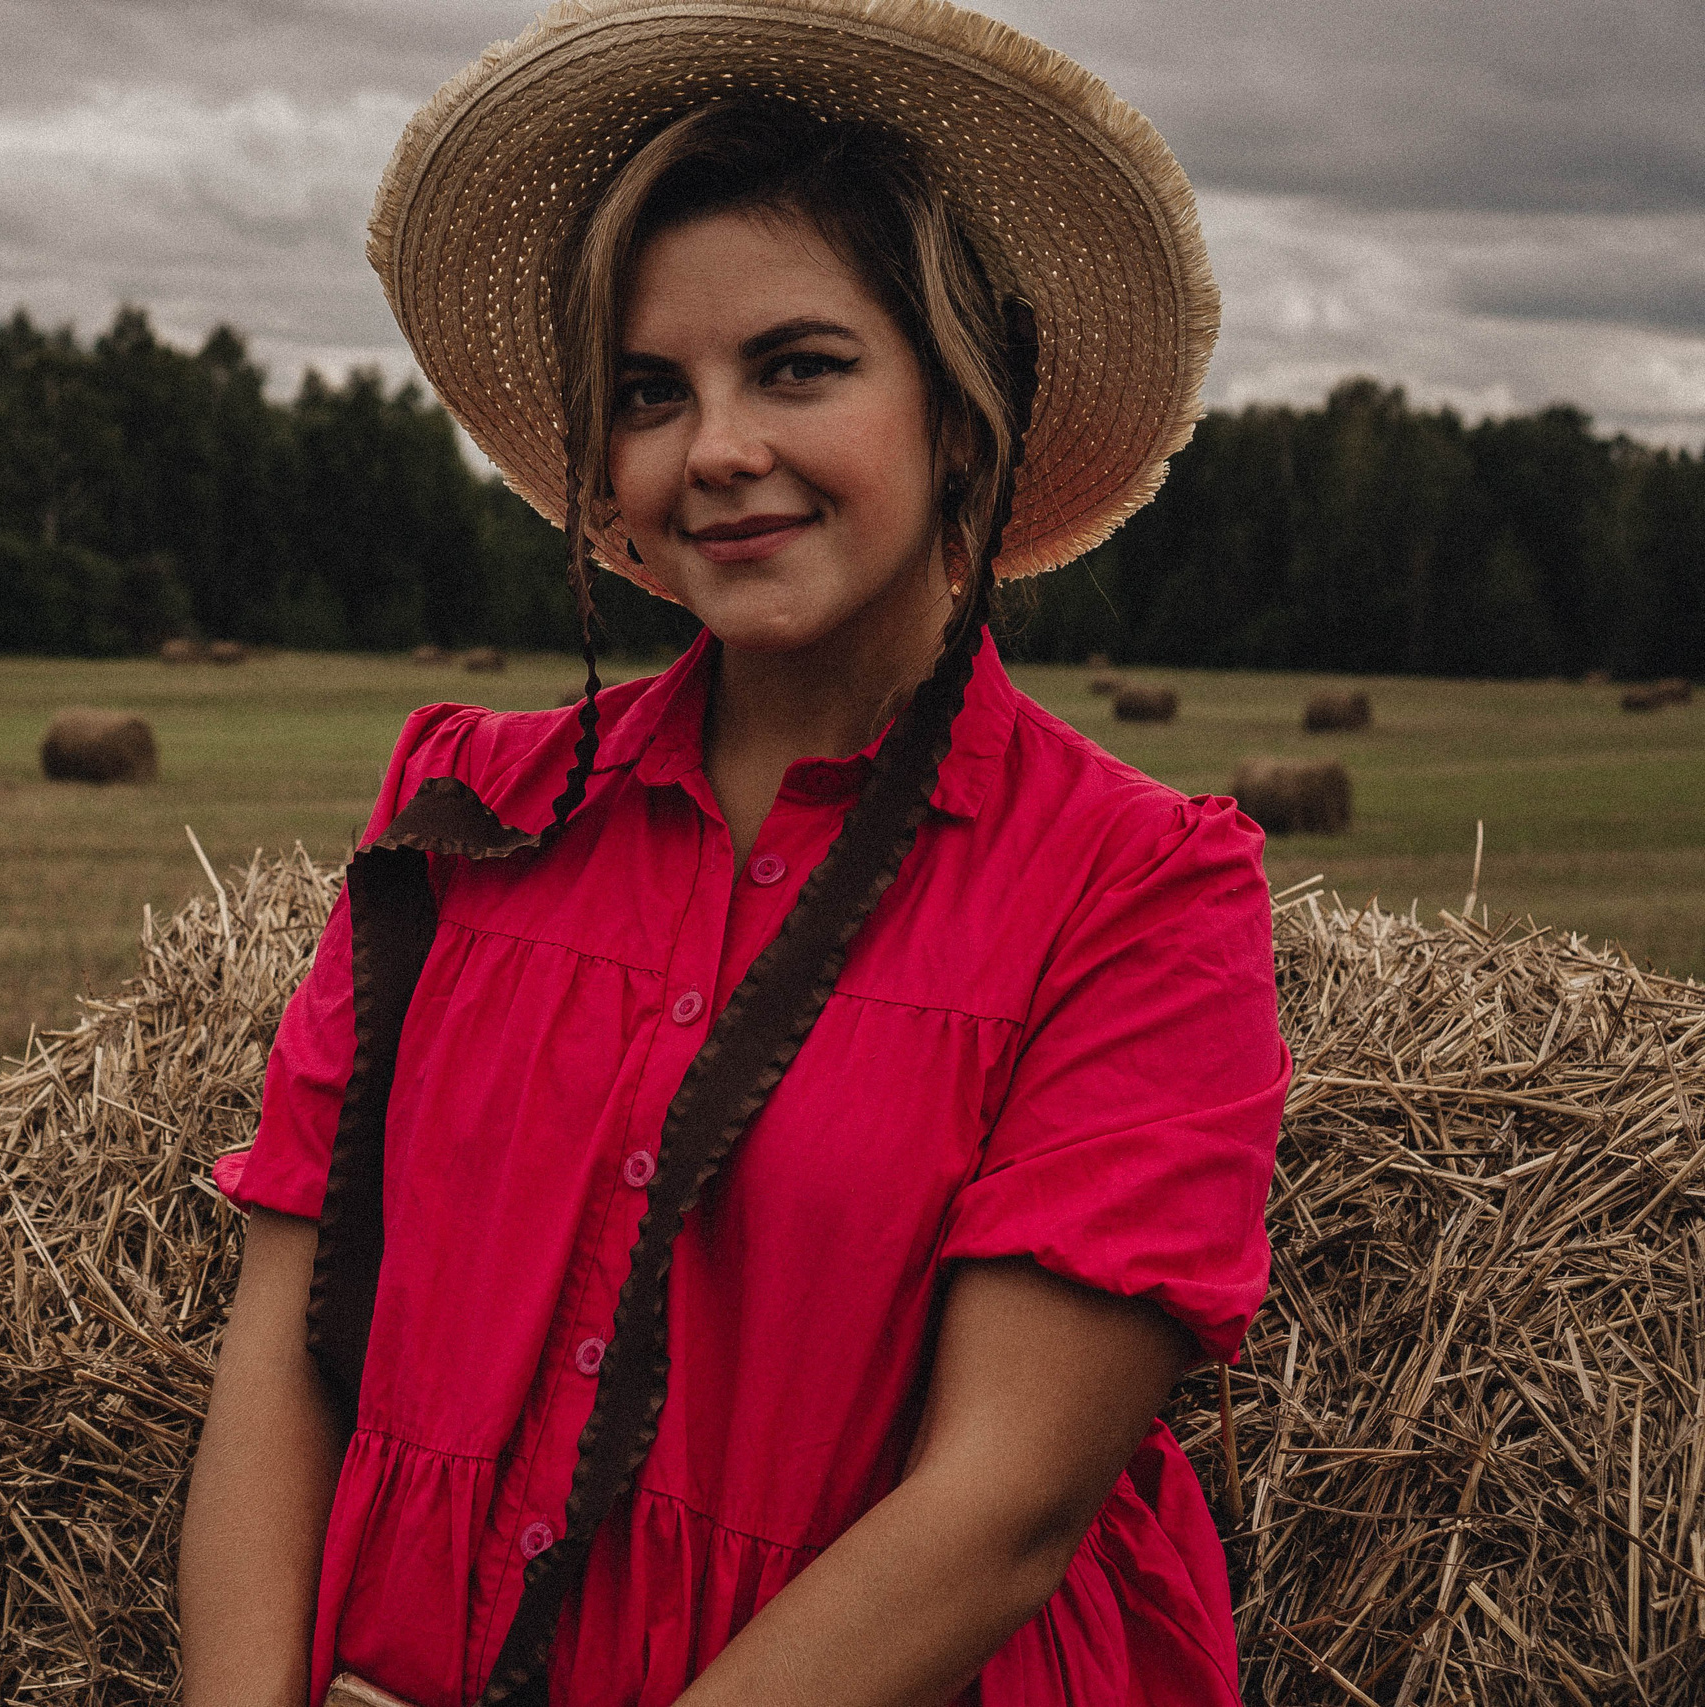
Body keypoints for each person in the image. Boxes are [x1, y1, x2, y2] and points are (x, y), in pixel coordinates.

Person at [179, 3, 1287, 1704]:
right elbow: (283, 1361)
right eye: (650, 393)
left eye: (799, 367)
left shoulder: (1134, 889)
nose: (717, 451)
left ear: (962, 413)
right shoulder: (464, 811)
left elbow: (1000, 1509)